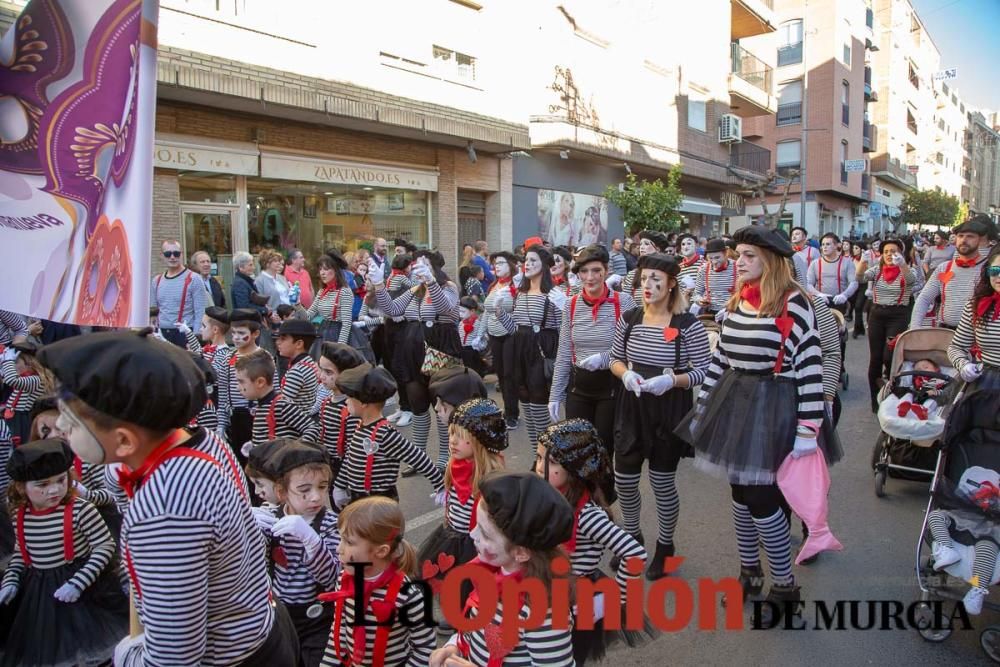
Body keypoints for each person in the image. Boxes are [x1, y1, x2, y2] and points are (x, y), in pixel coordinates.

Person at [39, 331, 299, 665]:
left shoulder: (165, 510)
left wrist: (129, 657)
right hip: (260, 626)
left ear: (124, 441)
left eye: (71, 422)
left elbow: (175, 657)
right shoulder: (199, 440)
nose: (59, 425)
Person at [675, 225, 841, 623]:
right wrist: (702, 408)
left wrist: (808, 429)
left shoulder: (797, 303)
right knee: (739, 492)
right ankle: (749, 572)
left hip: (777, 405)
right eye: (739, 255)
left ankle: (784, 585)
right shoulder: (735, 301)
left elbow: (811, 367)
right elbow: (721, 360)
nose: (740, 262)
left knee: (763, 499)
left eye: (749, 255)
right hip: (735, 403)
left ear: (771, 260)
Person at [610, 252, 711, 579]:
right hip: (632, 404)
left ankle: (665, 547)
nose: (647, 285)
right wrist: (625, 374)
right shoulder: (630, 318)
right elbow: (615, 358)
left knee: (661, 482)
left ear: (670, 285)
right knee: (624, 479)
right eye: (644, 279)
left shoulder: (687, 324)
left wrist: (672, 380)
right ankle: (631, 538)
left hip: (669, 410)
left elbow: (707, 370)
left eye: (656, 280)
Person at [0, 439, 128, 667]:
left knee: (86, 653)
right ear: (21, 487)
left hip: (83, 592)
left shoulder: (81, 509)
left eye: (61, 480)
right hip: (38, 593)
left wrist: (78, 583)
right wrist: (10, 581)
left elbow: (105, 546)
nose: (54, 489)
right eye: (42, 485)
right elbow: (22, 553)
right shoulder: (21, 515)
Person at [428, 472, 575, 667]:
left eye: (486, 535)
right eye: (476, 525)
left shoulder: (543, 612)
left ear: (521, 553)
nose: (473, 534)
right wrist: (453, 646)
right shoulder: (492, 574)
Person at [535, 419, 652, 664]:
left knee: (569, 655)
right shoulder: (550, 496)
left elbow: (633, 553)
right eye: (538, 457)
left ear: (575, 469)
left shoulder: (587, 515)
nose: (539, 467)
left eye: (552, 462)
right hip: (546, 585)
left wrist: (621, 598)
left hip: (575, 598)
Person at [370, 250, 462, 469]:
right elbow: (391, 310)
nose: (417, 268)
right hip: (411, 351)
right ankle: (419, 457)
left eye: (424, 264)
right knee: (417, 404)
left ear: (434, 268)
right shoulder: (414, 289)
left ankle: (444, 456)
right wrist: (379, 286)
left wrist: (431, 282)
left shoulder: (448, 287)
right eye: (416, 265)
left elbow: (444, 308)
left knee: (442, 405)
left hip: (440, 351)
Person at [318, 496, 435, 666]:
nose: (338, 548)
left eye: (348, 542)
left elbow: (425, 648)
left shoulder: (408, 595)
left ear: (381, 551)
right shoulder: (345, 581)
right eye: (341, 539)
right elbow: (339, 629)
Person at [253, 443, 340, 667]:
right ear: (281, 492)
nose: (315, 497)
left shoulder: (331, 524)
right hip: (281, 614)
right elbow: (254, 567)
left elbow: (332, 578)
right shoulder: (271, 518)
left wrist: (311, 540)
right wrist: (247, 527)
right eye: (304, 490)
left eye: (322, 487)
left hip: (319, 617)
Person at [548, 245, 636, 463]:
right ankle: (582, 498)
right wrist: (555, 394)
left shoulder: (623, 301)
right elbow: (564, 352)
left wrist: (604, 359)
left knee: (603, 450)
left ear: (605, 271)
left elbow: (632, 347)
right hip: (579, 387)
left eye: (596, 270)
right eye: (584, 271)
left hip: (611, 385)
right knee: (577, 450)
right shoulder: (571, 304)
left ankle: (602, 497)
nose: (590, 277)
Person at [417, 398, 507, 606]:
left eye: (460, 436)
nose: (452, 441)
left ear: (479, 440)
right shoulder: (454, 465)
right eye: (451, 434)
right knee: (447, 578)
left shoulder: (491, 476)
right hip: (451, 535)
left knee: (471, 584)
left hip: (474, 540)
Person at [332, 364, 444, 505]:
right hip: (358, 499)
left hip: (381, 502)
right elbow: (349, 458)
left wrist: (440, 486)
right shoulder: (359, 425)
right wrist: (340, 485)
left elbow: (419, 458)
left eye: (349, 397)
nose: (346, 401)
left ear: (364, 402)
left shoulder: (385, 434)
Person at [495, 244, 565, 448]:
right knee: (524, 400)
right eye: (526, 260)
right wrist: (500, 313)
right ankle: (538, 455)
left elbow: (563, 328)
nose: (528, 264)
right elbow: (515, 328)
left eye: (533, 260)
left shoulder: (553, 292)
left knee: (538, 406)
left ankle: (547, 456)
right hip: (520, 349)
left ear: (544, 265)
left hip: (541, 351)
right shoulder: (521, 292)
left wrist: (565, 307)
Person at [861, 238, 918, 412]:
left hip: (898, 314)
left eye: (893, 251)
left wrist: (902, 265)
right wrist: (862, 261)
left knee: (889, 355)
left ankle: (892, 389)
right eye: (885, 252)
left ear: (901, 253)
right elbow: (859, 277)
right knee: (876, 358)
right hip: (877, 314)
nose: (889, 255)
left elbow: (910, 280)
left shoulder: (908, 269)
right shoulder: (877, 270)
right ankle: (874, 399)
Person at [911, 219, 990, 330]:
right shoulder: (944, 267)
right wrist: (914, 328)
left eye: (970, 236)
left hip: (977, 335)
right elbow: (924, 298)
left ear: (980, 239)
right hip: (945, 332)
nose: (964, 240)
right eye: (960, 236)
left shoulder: (989, 268)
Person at [237, 350, 320, 447]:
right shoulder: (261, 406)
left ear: (260, 382)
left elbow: (312, 428)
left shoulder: (281, 405)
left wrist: (292, 450)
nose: (237, 387)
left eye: (241, 382)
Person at [948, 247, 1000, 392]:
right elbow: (956, 347)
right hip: (986, 385)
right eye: (995, 271)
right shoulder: (976, 305)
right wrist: (963, 365)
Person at [217, 308, 265, 453]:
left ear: (255, 334)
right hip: (234, 419)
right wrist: (221, 424)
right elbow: (223, 394)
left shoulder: (264, 358)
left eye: (241, 333)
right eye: (233, 333)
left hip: (257, 420)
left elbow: (272, 393)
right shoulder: (228, 358)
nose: (236, 337)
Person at [317, 342, 366, 480]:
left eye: (328, 372)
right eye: (321, 370)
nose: (321, 376)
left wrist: (341, 482)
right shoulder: (327, 402)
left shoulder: (351, 409)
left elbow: (353, 450)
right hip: (331, 465)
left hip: (348, 471)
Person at [484, 251, 521, 430]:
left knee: (509, 375)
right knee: (500, 374)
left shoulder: (516, 285)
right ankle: (507, 408)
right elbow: (486, 311)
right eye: (495, 263)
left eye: (501, 263)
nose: (496, 266)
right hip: (494, 334)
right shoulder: (494, 285)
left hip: (510, 334)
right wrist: (480, 333)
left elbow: (521, 311)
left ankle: (512, 413)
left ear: (511, 266)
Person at [150, 239, 208, 348]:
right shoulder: (156, 281)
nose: (172, 257)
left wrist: (195, 339)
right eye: (168, 254)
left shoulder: (194, 279)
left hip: (185, 334)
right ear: (162, 256)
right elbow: (153, 311)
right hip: (161, 333)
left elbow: (200, 311)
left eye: (176, 253)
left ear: (181, 254)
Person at [382, 254, 416, 428]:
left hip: (404, 325)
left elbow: (415, 293)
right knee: (393, 367)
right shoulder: (399, 277)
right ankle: (403, 406)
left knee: (402, 367)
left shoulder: (393, 277)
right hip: (392, 324)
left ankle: (409, 408)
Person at [0, 341, 53, 445]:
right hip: (15, 420)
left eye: (15, 362)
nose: (12, 366)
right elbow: (5, 378)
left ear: (29, 364)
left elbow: (11, 380)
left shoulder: (36, 380)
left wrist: (7, 361)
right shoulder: (24, 378)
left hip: (24, 423)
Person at [232, 251, 275, 354]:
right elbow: (243, 306)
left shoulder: (246, 281)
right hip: (246, 324)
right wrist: (264, 310)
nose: (253, 267)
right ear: (241, 267)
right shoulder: (240, 283)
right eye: (250, 265)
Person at [274, 318, 320, 414]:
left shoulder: (297, 371)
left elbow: (282, 405)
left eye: (283, 339)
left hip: (295, 423)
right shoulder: (308, 362)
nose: (278, 342)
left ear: (299, 344)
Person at [806, 233, 858, 316]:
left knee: (838, 327)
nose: (825, 247)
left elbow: (854, 282)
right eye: (823, 244)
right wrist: (818, 294)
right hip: (820, 302)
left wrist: (844, 295)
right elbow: (808, 283)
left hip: (839, 302)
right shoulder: (815, 263)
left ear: (836, 246)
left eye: (828, 244)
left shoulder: (847, 262)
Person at [693, 238, 738, 317]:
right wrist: (700, 301)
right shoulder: (704, 269)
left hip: (732, 312)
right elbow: (696, 294)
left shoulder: (737, 267)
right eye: (710, 258)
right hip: (710, 313)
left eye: (717, 257)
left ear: (726, 253)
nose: (714, 262)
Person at [622, 230, 671, 297]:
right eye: (641, 244)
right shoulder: (632, 275)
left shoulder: (668, 273)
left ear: (658, 249)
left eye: (646, 244)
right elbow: (625, 301)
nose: (641, 247)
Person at [458, 296, 488, 376]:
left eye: (463, 311)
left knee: (474, 368)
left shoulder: (478, 323)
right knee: (465, 367)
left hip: (473, 350)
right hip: (463, 349)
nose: (460, 314)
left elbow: (483, 336)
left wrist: (480, 344)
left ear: (472, 311)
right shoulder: (461, 323)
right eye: (459, 311)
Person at [850, 241, 869, 338]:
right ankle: (859, 327)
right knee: (856, 308)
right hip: (853, 285)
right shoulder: (851, 259)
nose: (854, 250)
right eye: (853, 248)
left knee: (858, 307)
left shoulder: (865, 260)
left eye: (856, 248)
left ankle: (857, 330)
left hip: (863, 285)